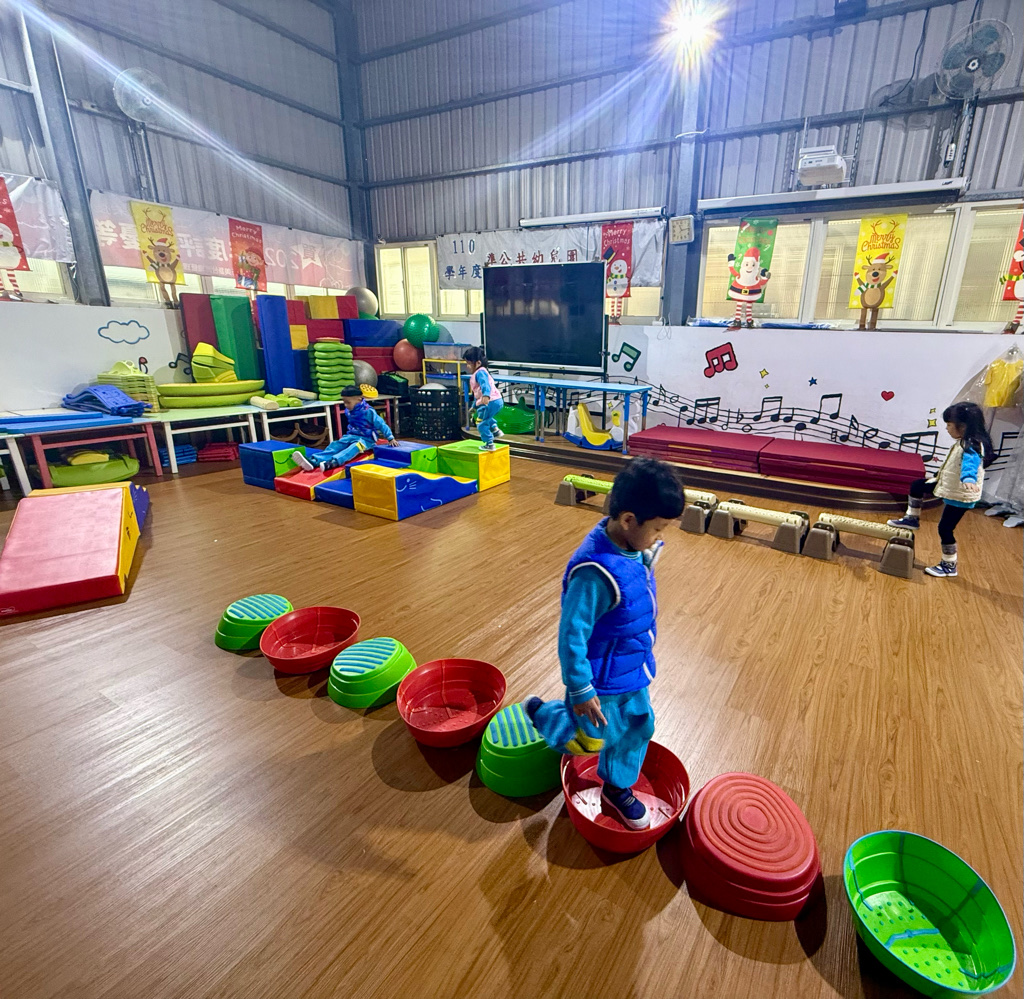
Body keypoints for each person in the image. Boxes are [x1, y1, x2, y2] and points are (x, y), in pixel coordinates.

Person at [524, 458, 684, 829]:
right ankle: (544, 715)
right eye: (657, 528)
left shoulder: (633, 547)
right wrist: (580, 688)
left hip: (632, 669)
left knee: (639, 726)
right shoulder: (594, 573)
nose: (660, 537)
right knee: (587, 742)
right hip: (600, 682)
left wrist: (646, 554)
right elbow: (572, 634)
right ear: (628, 520)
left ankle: (616, 789)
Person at [888, 402, 995, 578]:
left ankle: (949, 565)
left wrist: (968, 479)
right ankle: (912, 518)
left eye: (949, 425)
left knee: (945, 529)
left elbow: (970, 464)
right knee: (917, 485)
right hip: (947, 484)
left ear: (963, 426)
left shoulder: (972, 445)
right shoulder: (964, 441)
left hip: (961, 495)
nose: (946, 428)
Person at [293, 385, 398, 471]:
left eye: (348, 402)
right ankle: (315, 460)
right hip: (352, 435)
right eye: (344, 402)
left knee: (354, 447)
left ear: (359, 399)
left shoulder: (368, 411)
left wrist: (390, 438)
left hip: (367, 439)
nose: (346, 405)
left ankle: (334, 462)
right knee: (336, 444)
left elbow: (381, 424)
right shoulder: (349, 411)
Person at [463, 346, 504, 451]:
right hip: (496, 400)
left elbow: (485, 385)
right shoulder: (481, 372)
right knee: (486, 417)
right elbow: (477, 395)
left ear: (478, 363)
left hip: (490, 401)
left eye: (469, 363)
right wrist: (474, 407)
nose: (467, 366)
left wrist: (486, 395)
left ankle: (489, 443)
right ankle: (495, 429)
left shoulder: (480, 372)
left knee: (481, 424)